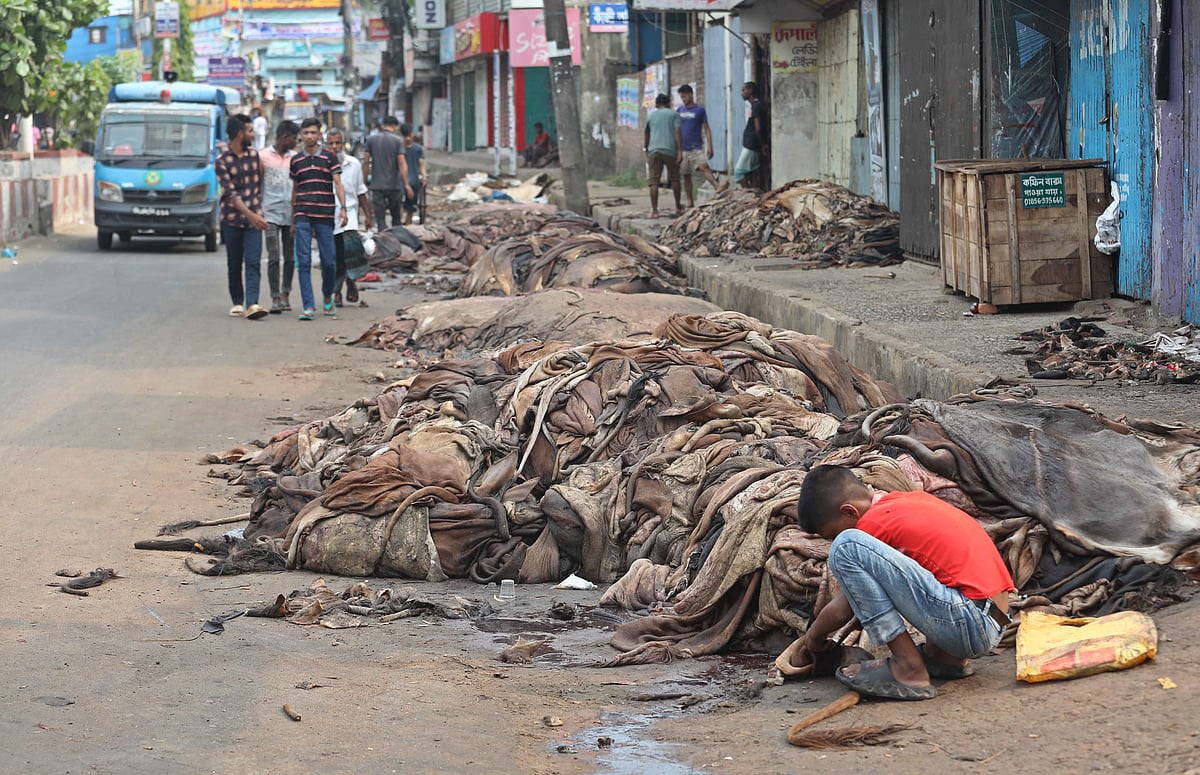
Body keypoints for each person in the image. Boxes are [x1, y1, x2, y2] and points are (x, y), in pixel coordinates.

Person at [794, 465, 1015, 701]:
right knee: (941, 571)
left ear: (849, 512)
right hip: (992, 619)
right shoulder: (905, 503)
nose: (831, 540)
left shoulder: (871, 524)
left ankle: (908, 668)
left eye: (830, 534)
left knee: (846, 547)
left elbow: (841, 608)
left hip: (970, 623)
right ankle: (945, 658)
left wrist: (813, 639)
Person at [289, 118, 347, 320]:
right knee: (303, 262)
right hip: (303, 213)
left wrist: (344, 209)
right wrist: (293, 218)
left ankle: (327, 295)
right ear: (301, 135)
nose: (309, 136)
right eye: (306, 133)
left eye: (313, 132)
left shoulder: (330, 157)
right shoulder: (296, 160)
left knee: (329, 262)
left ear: (319, 134)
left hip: (325, 214)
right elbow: (295, 190)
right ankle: (308, 306)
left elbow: (338, 183)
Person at [214, 114, 269, 320]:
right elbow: (231, 194)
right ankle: (237, 301)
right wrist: (252, 215)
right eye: (250, 130)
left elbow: (259, 182)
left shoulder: (254, 157)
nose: (253, 134)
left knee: (253, 261)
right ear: (239, 134)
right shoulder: (222, 161)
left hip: (254, 218)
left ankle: (252, 303)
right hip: (232, 219)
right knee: (234, 262)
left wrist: (256, 213)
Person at [324, 128, 371, 307]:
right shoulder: (321, 164)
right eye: (331, 143)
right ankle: (337, 289)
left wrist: (368, 216)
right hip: (328, 215)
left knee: (349, 251)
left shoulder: (353, 164)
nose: (335, 147)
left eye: (338, 143)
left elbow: (361, 191)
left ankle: (349, 282)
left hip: (349, 215)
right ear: (326, 145)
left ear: (343, 144)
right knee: (334, 256)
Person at [260, 120, 299, 313]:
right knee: (274, 257)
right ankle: (275, 296)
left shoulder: (296, 158)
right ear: (285, 137)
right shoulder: (263, 157)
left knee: (290, 258)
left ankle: (286, 294)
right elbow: (258, 185)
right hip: (270, 213)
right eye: (294, 138)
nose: (296, 142)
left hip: (291, 214)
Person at [676, 85, 723, 206]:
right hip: (684, 148)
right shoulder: (679, 110)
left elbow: (707, 129)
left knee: (704, 167)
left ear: (691, 95)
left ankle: (717, 187)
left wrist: (710, 146)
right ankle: (690, 200)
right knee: (686, 175)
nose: (683, 99)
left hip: (696, 147)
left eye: (685, 96)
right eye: (682, 97)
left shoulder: (700, 110)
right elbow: (675, 129)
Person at [363, 116, 411, 231]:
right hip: (394, 185)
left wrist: (364, 181)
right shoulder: (398, 141)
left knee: (380, 219)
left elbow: (365, 162)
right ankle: (397, 240)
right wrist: (406, 184)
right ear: (395, 127)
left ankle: (383, 239)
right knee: (396, 218)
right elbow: (402, 163)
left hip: (377, 185)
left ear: (382, 125)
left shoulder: (371, 140)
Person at [644, 93, 683, 218]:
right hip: (670, 150)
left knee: (654, 181)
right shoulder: (674, 115)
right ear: (668, 103)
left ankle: (655, 211)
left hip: (654, 150)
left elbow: (646, 133)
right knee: (675, 178)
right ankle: (677, 207)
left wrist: (646, 148)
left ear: (656, 104)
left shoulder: (650, 116)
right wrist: (680, 151)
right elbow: (677, 133)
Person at [735, 81, 768, 189]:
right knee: (753, 172)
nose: (741, 93)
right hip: (751, 143)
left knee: (738, 172)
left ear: (750, 91)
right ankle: (754, 195)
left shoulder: (756, 106)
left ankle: (748, 194)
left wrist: (762, 144)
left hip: (752, 145)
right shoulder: (755, 105)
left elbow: (758, 129)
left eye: (743, 90)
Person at [400, 122, 426, 225]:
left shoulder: (417, 149)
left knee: (411, 207)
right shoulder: (399, 148)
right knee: (399, 204)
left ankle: (408, 224)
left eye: (409, 136)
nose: (408, 139)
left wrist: (424, 176)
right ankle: (398, 224)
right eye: (405, 136)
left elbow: (421, 164)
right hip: (400, 181)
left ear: (412, 134)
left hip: (413, 181)